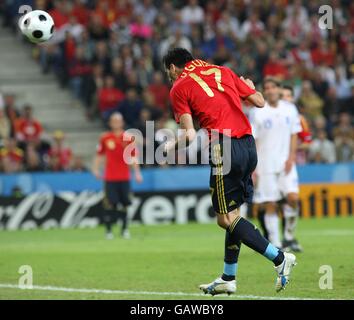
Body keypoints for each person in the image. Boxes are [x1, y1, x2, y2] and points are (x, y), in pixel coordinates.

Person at [162, 48, 296, 296]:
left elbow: (189, 135)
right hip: (248, 145)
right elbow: (259, 101)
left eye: (168, 72)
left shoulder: (179, 87)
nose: (170, 76)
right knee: (234, 214)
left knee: (225, 219)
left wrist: (169, 147)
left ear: (172, 67)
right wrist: (251, 87)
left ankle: (279, 258)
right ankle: (228, 277)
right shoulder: (222, 71)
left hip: (224, 147)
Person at [251, 78, 301, 253]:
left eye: (273, 87)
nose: (270, 90)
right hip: (265, 165)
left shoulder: (290, 109)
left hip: (286, 163)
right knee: (270, 204)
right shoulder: (257, 112)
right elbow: (254, 139)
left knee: (293, 199)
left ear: (279, 90)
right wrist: (254, 167)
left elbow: (295, 134)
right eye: (267, 88)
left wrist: (291, 157)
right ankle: (277, 243)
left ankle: (288, 235)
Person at [92, 112, 142, 239]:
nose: (116, 123)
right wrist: (96, 169)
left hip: (124, 177)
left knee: (125, 204)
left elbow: (134, 156)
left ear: (122, 122)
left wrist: (137, 173)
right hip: (110, 177)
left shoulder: (129, 138)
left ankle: (124, 229)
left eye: (118, 121)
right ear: (110, 123)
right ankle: (108, 231)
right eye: (113, 121)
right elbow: (99, 154)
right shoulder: (105, 138)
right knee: (110, 204)